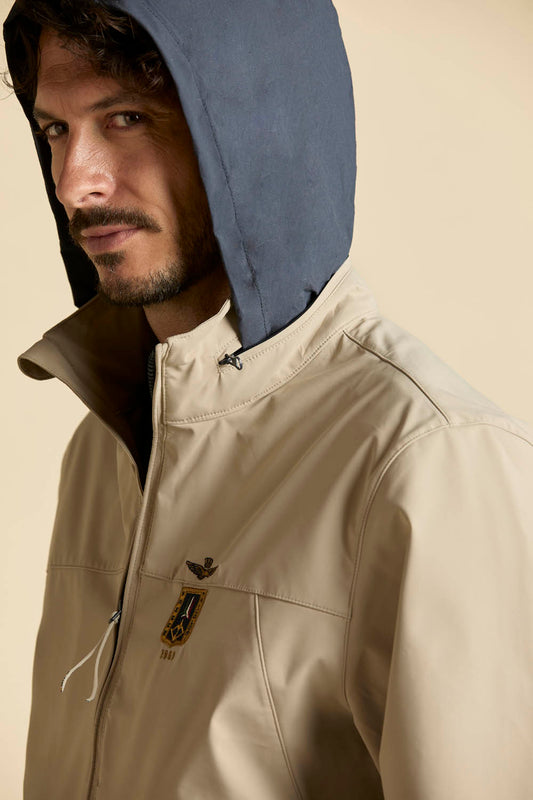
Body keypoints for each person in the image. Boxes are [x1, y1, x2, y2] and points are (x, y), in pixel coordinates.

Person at [4, 1, 532, 798]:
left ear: (254, 132)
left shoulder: (428, 460)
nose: (77, 182)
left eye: (126, 119)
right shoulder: (105, 443)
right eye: (55, 129)